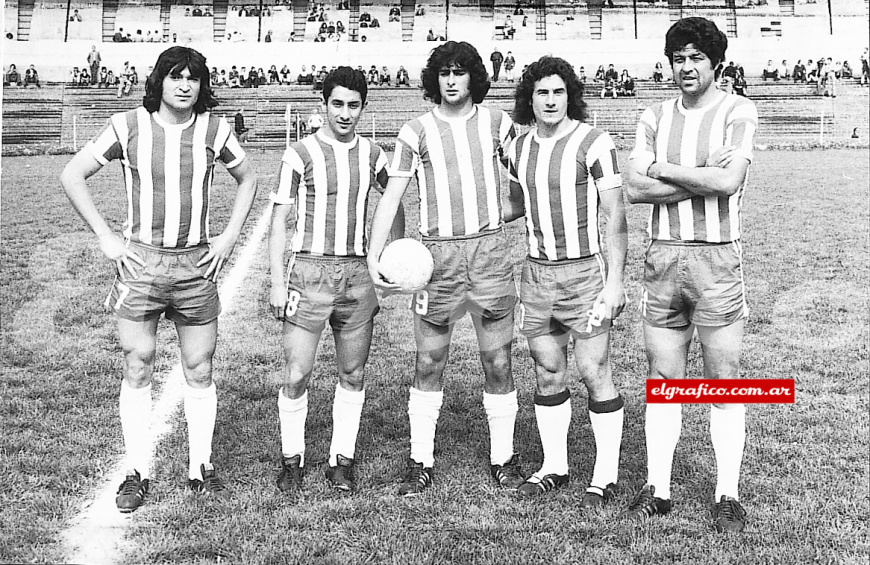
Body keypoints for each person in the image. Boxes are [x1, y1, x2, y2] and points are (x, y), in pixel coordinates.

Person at [59, 46, 258, 514]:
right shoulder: (127, 126)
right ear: (160, 81)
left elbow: (248, 179)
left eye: (193, 78)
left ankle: (200, 466)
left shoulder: (214, 128)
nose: (184, 85)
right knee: (138, 363)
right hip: (141, 265)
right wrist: (108, 238)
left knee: (200, 367)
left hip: (195, 265)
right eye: (175, 76)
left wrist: (228, 238)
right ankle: (136, 470)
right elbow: (72, 175)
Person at [367, 41, 522, 496]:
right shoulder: (415, 130)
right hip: (438, 259)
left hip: (490, 254)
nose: (451, 80)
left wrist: (492, 216)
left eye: (460, 72)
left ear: (475, 76)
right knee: (430, 359)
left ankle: (504, 458)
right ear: (434, 79)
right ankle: (420, 461)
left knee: (497, 359)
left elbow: (528, 181)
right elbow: (392, 197)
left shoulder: (498, 123)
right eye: (444, 72)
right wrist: (378, 256)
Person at [622, 17, 758, 534]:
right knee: (664, 381)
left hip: (717, 257)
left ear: (715, 63)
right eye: (678, 57)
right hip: (662, 257)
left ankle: (727, 492)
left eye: (696, 57)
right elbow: (634, 189)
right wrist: (697, 173)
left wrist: (664, 168)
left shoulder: (737, 110)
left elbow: (729, 181)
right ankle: (658, 488)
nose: (685, 66)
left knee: (724, 380)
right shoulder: (654, 115)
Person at [269, 67, 405, 493]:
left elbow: (394, 202)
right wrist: (276, 280)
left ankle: (340, 459)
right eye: (337, 104)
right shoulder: (300, 153)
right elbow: (278, 221)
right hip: (308, 272)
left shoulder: (372, 155)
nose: (345, 113)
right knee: (297, 373)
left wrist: (391, 255)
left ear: (363, 107)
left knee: (354, 372)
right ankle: (292, 459)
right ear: (323, 105)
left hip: (357, 276)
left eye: (353, 105)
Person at [502, 56, 627, 504]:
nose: (550, 100)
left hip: (584, 276)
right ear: (529, 99)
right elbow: (515, 205)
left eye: (558, 92)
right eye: (542, 93)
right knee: (548, 370)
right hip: (536, 276)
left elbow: (614, 216)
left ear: (569, 95)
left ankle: (605, 474)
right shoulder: (517, 147)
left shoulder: (594, 141)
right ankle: (555, 465)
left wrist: (614, 283)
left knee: (594, 370)